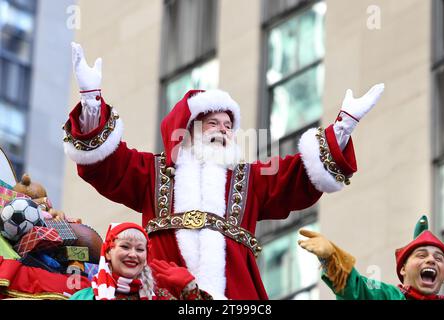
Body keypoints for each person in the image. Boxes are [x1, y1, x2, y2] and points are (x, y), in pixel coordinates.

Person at [63, 42, 385, 299]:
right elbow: (107, 166)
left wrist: (342, 127)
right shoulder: (154, 172)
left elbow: (298, 175)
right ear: (189, 130)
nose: (222, 130)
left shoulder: (250, 180)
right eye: (213, 123)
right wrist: (92, 101)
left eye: (228, 126)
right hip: (164, 292)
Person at [298, 215, 444, 300]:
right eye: (421, 255)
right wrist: (330, 260)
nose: (431, 260)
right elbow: (357, 289)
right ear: (403, 269)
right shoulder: (388, 297)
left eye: (439, 258)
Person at [70, 222, 212, 300]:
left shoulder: (160, 297)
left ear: (145, 259)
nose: (133, 254)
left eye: (139, 249)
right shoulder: (83, 297)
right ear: (108, 252)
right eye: (125, 247)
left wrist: (190, 289)